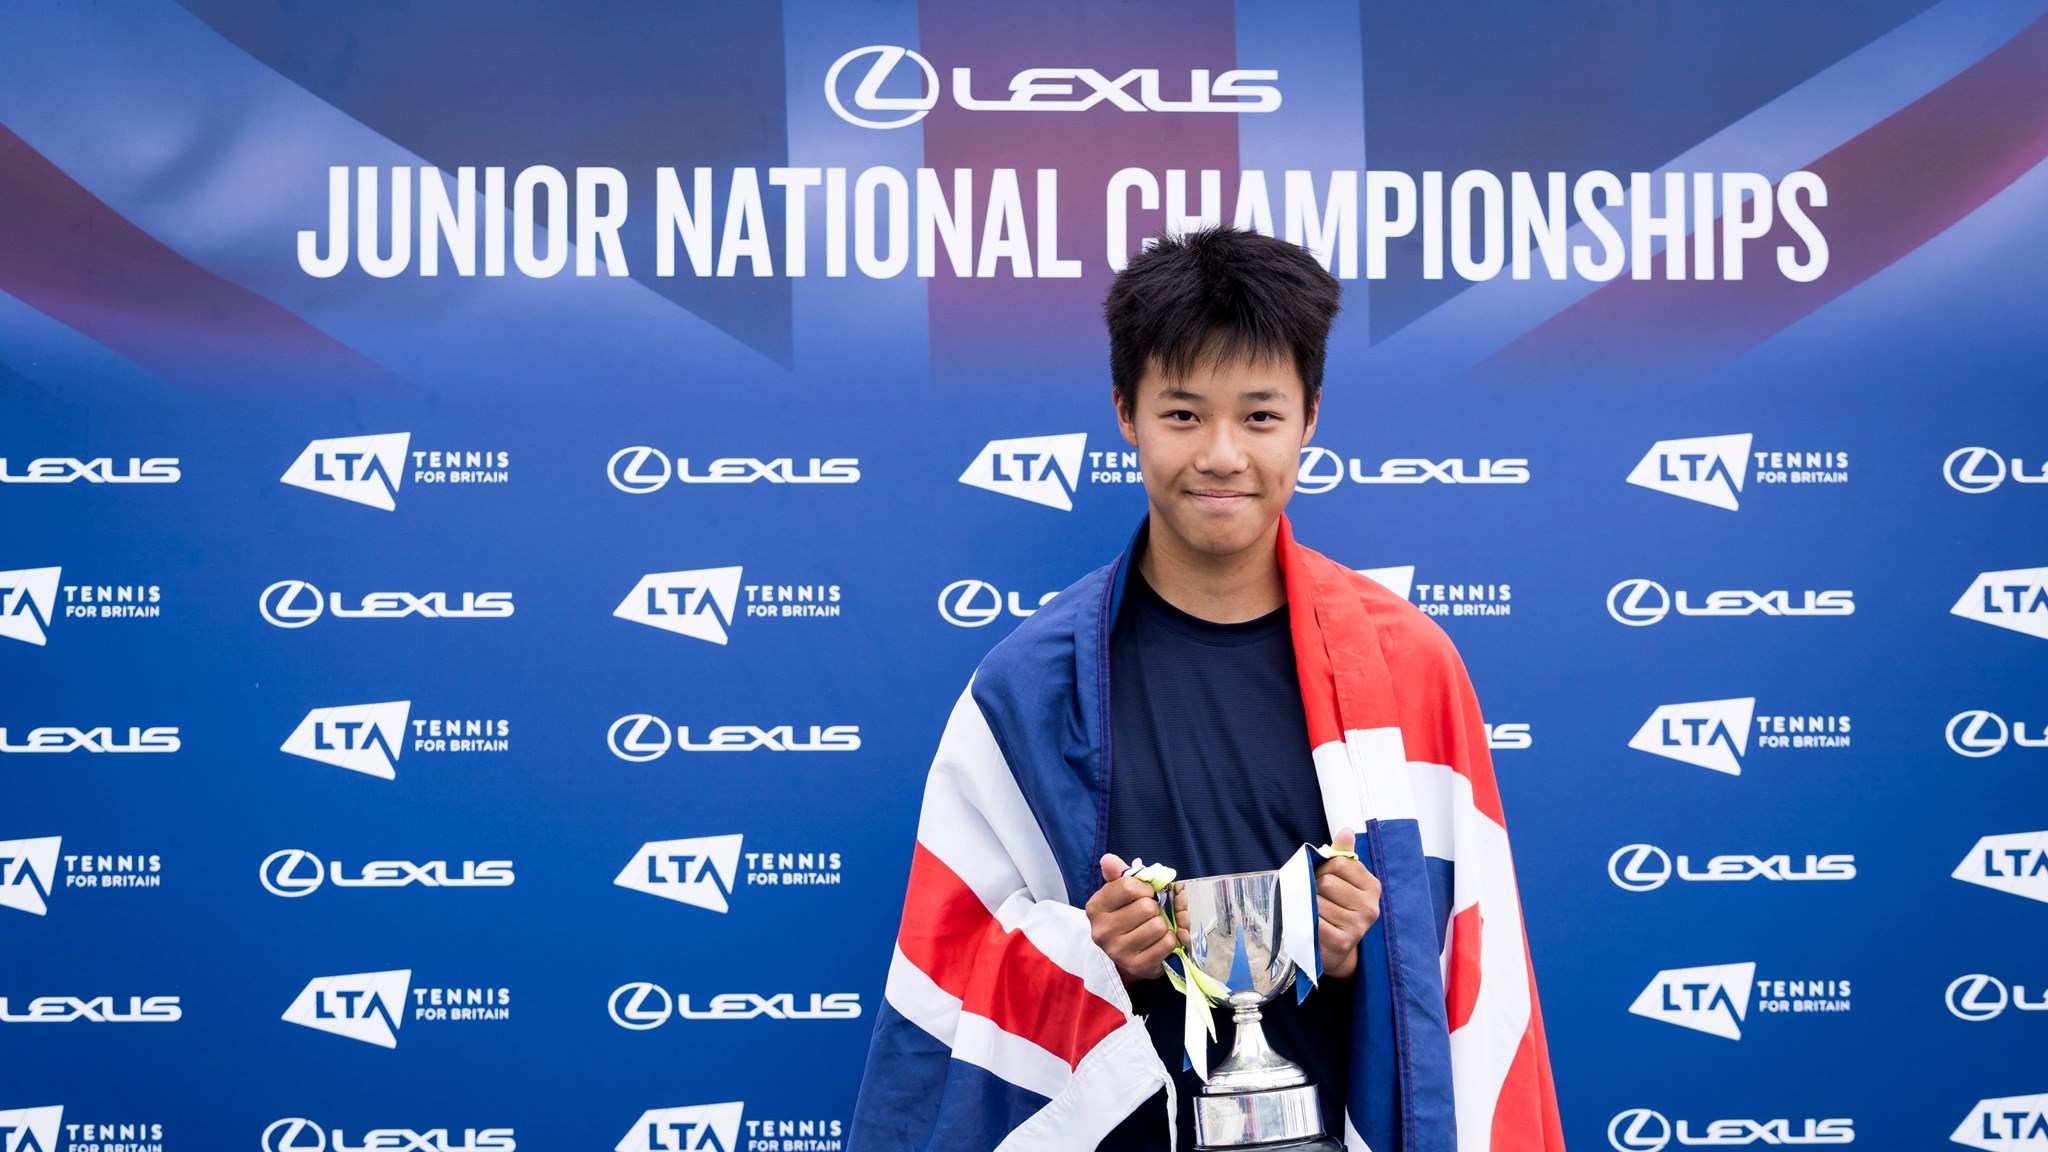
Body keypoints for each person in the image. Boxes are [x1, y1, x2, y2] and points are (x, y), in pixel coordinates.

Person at [849, 227, 1563, 1152]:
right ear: (1126, 413)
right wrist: (1090, 955)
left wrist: (1365, 950)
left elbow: (1471, 980)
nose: (1222, 454)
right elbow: (945, 979)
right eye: (1183, 414)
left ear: (1309, 417)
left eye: (1259, 416)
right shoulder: (1029, 688)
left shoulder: (1408, 665)